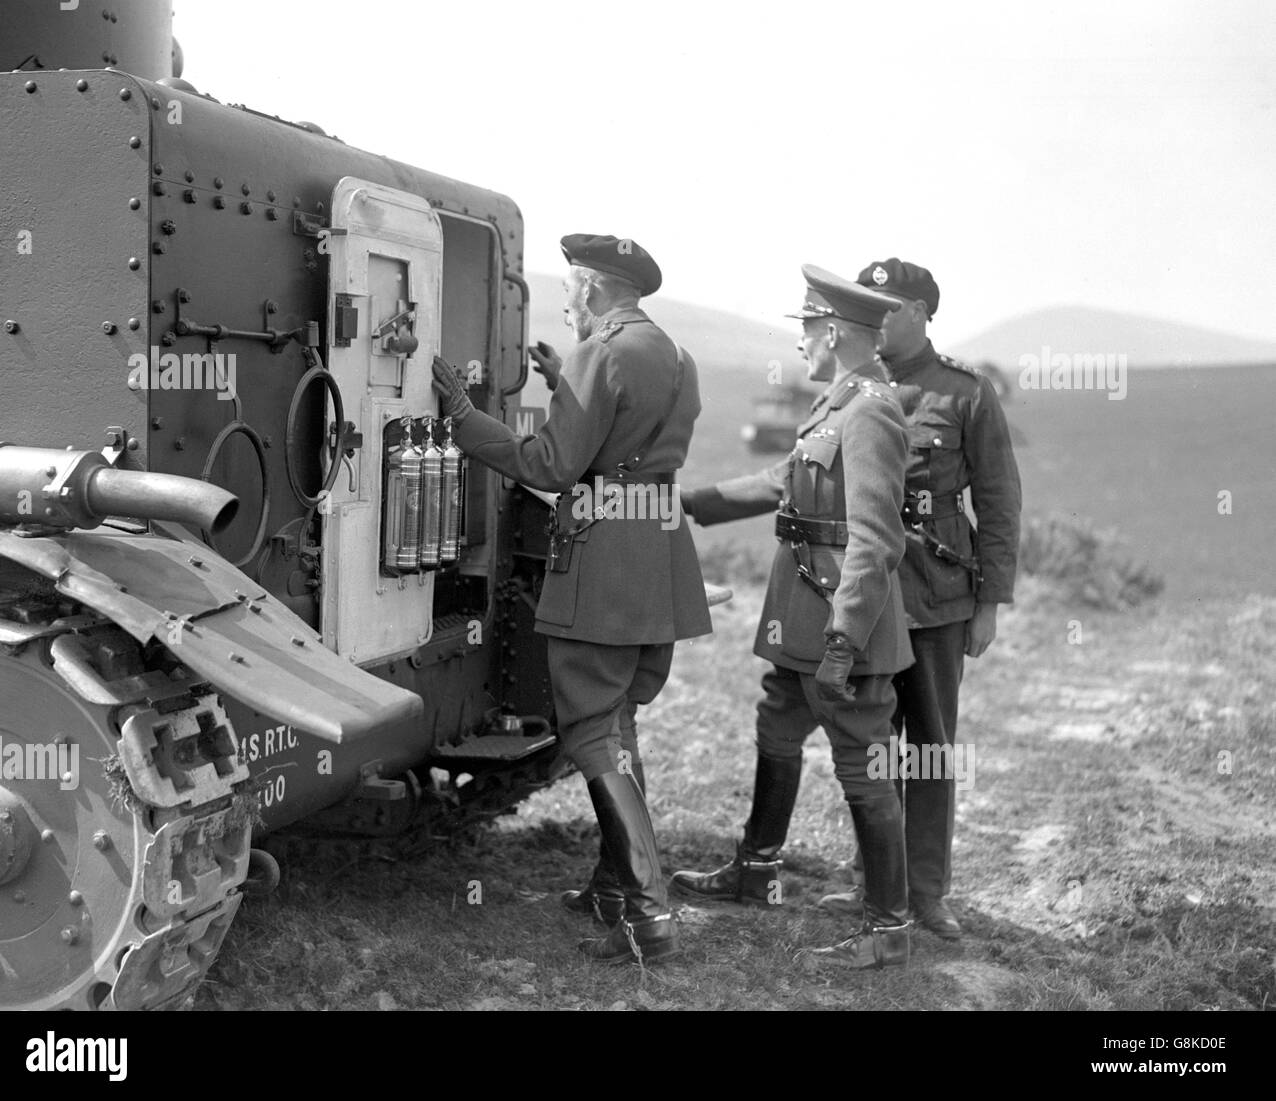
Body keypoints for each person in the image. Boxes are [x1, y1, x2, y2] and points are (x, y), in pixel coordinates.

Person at [431, 233, 711, 964]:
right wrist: (567, 385)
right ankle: (615, 889)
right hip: (656, 553)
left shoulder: (601, 353)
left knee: (591, 734)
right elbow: (632, 440)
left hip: (604, 565)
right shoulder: (674, 355)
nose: (565, 302)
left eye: (567, 290)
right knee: (619, 726)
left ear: (590, 289)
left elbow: (551, 463)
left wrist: (463, 419)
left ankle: (650, 914)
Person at [670, 265, 915, 969]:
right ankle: (757, 867)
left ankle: (888, 927)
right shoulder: (837, 403)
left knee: (863, 764)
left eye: (806, 329)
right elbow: (784, 480)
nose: (802, 344)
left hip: (842, 622)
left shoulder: (869, 410)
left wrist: (844, 640)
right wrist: (692, 502)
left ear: (833, 331)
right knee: (778, 722)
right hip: (802, 616)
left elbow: (875, 538)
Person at [820, 258, 1022, 940]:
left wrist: (990, 600)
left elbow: (997, 500)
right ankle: (873, 884)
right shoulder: (851, 387)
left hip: (937, 593)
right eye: (867, 306)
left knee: (930, 747)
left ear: (922, 312)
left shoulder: (965, 392)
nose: (876, 318)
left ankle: (927, 894)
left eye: (890, 306)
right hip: (868, 594)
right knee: (869, 743)